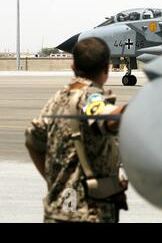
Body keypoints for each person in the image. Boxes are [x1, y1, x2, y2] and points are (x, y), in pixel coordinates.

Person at [25, 37, 128, 223]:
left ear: (73, 66)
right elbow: (107, 115)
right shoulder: (91, 98)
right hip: (89, 214)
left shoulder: (57, 99)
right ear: (107, 68)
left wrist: (53, 181)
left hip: (57, 212)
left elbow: (32, 139)